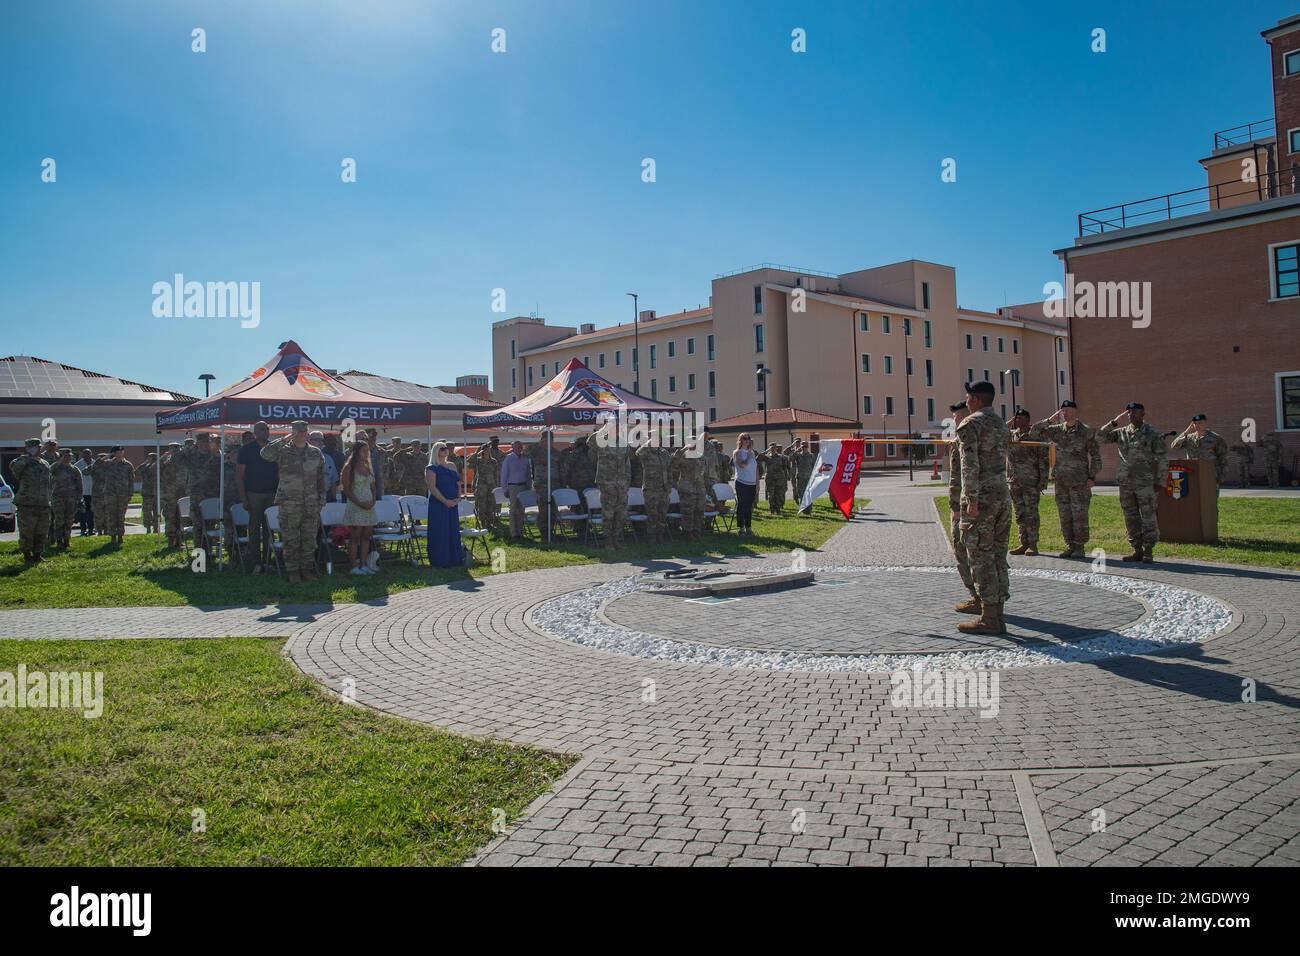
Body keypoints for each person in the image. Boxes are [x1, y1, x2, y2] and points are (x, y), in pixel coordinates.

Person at [955, 381, 1012, 635]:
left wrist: (972, 502)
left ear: (976, 399)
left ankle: (989, 618)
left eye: (968, 397)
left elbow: (969, 466)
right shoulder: (1000, 424)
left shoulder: (971, 424)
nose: (966, 401)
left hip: (983, 501)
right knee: (998, 556)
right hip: (1001, 497)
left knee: (980, 557)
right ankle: (997, 615)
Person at [1023, 400, 1101, 558]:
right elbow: (1034, 433)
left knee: (1079, 516)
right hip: (1061, 482)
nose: (1065, 413)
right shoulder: (1057, 430)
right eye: (1063, 410)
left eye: (1068, 410)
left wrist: (1092, 476)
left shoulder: (1086, 432)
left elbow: (1096, 456)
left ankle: (1079, 547)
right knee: (1065, 516)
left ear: (1075, 411)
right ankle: (1070, 545)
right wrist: (1049, 420)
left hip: (1080, 481)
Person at [1098, 403, 1168, 563]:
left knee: (1148, 516)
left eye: (1135, 412)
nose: (1131, 415)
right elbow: (1100, 437)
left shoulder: (1153, 433)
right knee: (1131, 517)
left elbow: (1162, 458)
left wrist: (1160, 481)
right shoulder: (1121, 432)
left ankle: (1148, 550)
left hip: (1145, 483)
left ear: (1143, 413)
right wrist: (1114, 422)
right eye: (1129, 412)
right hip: (1126, 483)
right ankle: (1137, 549)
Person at [260, 420, 327, 583]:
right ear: (293, 432)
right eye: (298, 432)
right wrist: (285, 438)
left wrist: (322, 497)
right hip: (289, 503)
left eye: (304, 432)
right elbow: (264, 454)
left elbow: (321, 476)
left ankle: (306, 569)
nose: (302, 434)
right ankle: (293, 571)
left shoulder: (315, 453)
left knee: (309, 538)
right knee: (291, 538)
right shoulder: (283, 450)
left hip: (311, 503)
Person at [946, 400, 980, 614]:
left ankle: (979, 597)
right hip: (964, 503)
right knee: (966, 551)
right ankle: (977, 596)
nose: (955, 420)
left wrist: (958, 508)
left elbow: (963, 476)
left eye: (958, 416)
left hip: (966, 505)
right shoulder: (960, 440)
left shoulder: (967, 439)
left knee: (965, 550)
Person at [237, 421, 279, 571]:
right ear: (255, 432)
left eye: (267, 429)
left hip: (272, 494)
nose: (265, 431)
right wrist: (243, 498)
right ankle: (255, 562)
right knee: (254, 529)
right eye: (261, 429)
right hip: (253, 494)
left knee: (270, 529)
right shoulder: (246, 450)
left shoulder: (274, 448)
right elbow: (240, 475)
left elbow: (280, 471)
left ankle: (268, 561)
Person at [1007, 408, 1049, 555]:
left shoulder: (1034, 436)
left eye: (1021, 418)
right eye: (1016, 418)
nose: (1018, 420)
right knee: (1020, 514)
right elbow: (998, 433)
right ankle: (1023, 543)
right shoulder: (1011, 436)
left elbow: (1043, 460)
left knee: (1031, 514)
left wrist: (1043, 481)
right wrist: (1008, 424)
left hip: (1031, 482)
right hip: (1014, 482)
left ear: (1028, 420)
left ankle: (1033, 544)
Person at [340, 440, 378, 575]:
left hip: (369, 506)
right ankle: (354, 566)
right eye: (364, 450)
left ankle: (363, 565)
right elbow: (347, 490)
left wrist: (373, 501)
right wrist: (360, 503)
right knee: (355, 537)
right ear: (356, 452)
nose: (366, 453)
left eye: (368, 450)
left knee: (366, 537)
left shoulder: (368, 466)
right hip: (356, 506)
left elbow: (373, 487)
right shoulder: (348, 468)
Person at [11, 438, 52, 564]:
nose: (41, 449)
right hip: (27, 503)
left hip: (43, 503)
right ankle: (27, 555)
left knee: (42, 531)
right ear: (30, 448)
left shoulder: (44, 463)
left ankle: (38, 554)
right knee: (27, 531)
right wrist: (30, 456)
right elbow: (16, 471)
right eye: (38, 447)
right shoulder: (20, 461)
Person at [425, 442, 463, 567]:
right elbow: (432, 488)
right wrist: (445, 501)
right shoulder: (431, 468)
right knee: (440, 531)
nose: (446, 450)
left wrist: (458, 498)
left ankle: (455, 559)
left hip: (453, 504)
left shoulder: (452, 465)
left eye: (446, 448)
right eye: (442, 448)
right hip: (439, 504)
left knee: (453, 530)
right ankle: (440, 560)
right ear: (436, 451)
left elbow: (457, 483)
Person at [1170, 414, 1228, 495]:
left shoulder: (1216, 438)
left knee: (1210, 501)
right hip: (1192, 475)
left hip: (1210, 475)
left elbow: (1223, 458)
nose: (1197, 425)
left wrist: (1221, 477)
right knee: (1194, 502)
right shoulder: (1189, 438)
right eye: (1195, 423)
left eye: (1200, 423)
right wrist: (1186, 432)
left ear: (1206, 423)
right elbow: (1174, 446)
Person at [595, 434, 631, 549]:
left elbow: (627, 465)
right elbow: (589, 442)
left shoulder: (623, 444)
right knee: (608, 514)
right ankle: (607, 540)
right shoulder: (601, 441)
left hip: (621, 485)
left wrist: (627, 482)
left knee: (621, 514)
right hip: (607, 484)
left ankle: (615, 538)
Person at [636, 435, 671, 544]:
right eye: (653, 438)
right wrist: (648, 444)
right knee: (652, 513)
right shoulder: (646, 451)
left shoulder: (664, 453)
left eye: (658, 438)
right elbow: (638, 454)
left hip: (664, 488)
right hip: (651, 488)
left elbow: (668, 469)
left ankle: (660, 535)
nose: (656, 440)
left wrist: (669, 485)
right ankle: (651, 536)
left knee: (662, 513)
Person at [98, 446, 135, 545]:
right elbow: (96, 465)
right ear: (114, 453)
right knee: (111, 516)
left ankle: (120, 536)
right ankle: (113, 536)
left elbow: (131, 481)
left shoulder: (128, 465)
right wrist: (108, 456)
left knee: (121, 516)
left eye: (121, 452)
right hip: (110, 494)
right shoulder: (108, 464)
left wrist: (130, 494)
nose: (119, 454)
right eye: (117, 452)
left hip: (123, 495)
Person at [672, 442, 707, 540]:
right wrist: (683, 449)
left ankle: (697, 531)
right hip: (687, 487)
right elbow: (673, 462)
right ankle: (688, 532)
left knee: (699, 510)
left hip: (700, 487)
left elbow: (704, 471)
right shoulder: (682, 455)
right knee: (688, 510)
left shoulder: (701, 455)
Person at [50, 449, 82, 550]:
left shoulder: (74, 469)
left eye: (70, 456)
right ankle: (58, 541)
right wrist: (59, 460)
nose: (69, 458)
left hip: (71, 499)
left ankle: (67, 540)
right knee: (59, 520)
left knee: (69, 520)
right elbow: (49, 470)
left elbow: (79, 485)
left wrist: (79, 498)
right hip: (58, 498)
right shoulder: (56, 468)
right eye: (66, 456)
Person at [501, 440, 532, 539]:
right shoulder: (508, 459)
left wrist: (529, 487)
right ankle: (513, 532)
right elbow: (504, 475)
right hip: (513, 486)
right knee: (513, 509)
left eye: (520, 447)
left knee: (521, 510)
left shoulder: (525, 459)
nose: (519, 449)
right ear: (513, 448)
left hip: (523, 487)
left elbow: (528, 475)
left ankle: (520, 531)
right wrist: (505, 489)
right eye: (517, 447)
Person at [731, 433, 759, 537]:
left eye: (748, 438)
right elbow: (742, 465)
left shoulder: (752, 453)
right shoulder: (737, 452)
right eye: (745, 438)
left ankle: (749, 527)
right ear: (740, 440)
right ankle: (741, 528)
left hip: (752, 483)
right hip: (742, 482)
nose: (747, 440)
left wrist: (757, 483)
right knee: (742, 505)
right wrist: (748, 455)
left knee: (749, 506)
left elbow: (755, 469)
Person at [468, 442, 500, 529]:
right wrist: (477, 453)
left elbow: (496, 474)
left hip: (491, 485)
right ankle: (482, 522)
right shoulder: (478, 460)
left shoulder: (493, 461)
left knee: (490, 504)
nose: (487, 451)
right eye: (485, 449)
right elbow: (469, 461)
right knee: (482, 504)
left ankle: (489, 522)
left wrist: (496, 486)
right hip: (481, 486)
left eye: (488, 449)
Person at [160, 442, 186, 547]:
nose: (175, 451)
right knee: (170, 517)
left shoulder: (184, 460)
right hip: (169, 494)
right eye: (172, 449)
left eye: (176, 448)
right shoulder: (166, 461)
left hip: (181, 493)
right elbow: (153, 469)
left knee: (180, 517)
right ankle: (171, 540)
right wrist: (163, 457)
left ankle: (179, 540)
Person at [760, 443, 790, 514]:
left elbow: (785, 467)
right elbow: (758, 458)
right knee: (771, 495)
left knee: (778, 494)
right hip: (770, 479)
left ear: (776, 449)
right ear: (769, 449)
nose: (773, 450)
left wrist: (786, 477)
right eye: (771, 448)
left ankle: (778, 509)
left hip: (779, 479)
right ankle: (772, 509)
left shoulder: (781, 457)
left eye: (774, 448)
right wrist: (765, 451)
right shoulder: (766, 457)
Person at [310, 431, 340, 501]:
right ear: (309, 441)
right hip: (309, 496)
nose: (320, 442)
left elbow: (333, 481)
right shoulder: (302, 458)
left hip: (327, 496)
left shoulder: (328, 458)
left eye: (321, 440)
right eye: (317, 440)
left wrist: (334, 498)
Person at [135, 452, 160, 534]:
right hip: (148, 493)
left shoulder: (158, 468)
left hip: (156, 493)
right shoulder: (145, 467)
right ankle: (148, 527)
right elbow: (136, 472)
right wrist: (146, 462)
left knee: (157, 512)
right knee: (147, 512)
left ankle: (156, 528)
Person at [74, 448, 95, 536]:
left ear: (91, 454)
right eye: (85, 454)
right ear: (82, 455)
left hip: (93, 492)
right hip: (82, 493)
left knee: (91, 512)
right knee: (82, 512)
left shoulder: (95, 463)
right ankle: (83, 530)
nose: (87, 455)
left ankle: (91, 529)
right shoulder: (77, 465)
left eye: (88, 454)